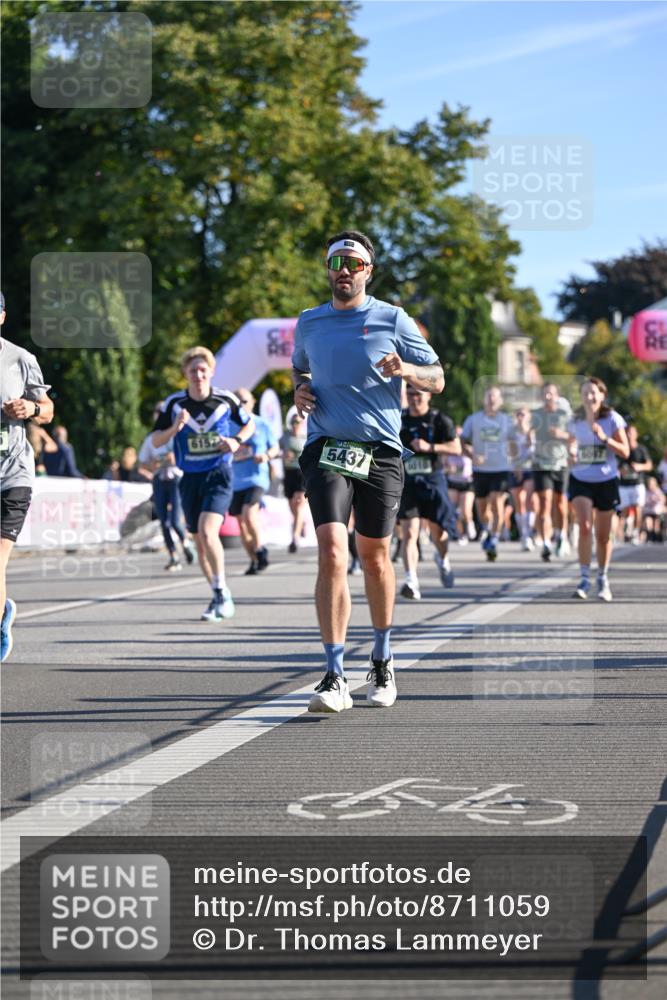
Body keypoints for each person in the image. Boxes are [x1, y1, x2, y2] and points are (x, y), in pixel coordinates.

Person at [292, 230, 444, 712]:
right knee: (334, 550)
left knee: (375, 555)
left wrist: (407, 372)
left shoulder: (392, 318)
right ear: (327, 268)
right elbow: (300, 371)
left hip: (379, 451)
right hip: (326, 447)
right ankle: (334, 673)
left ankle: (381, 656)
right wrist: (300, 390)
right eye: (337, 261)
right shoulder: (309, 322)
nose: (344, 269)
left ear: (368, 271)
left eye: (353, 263)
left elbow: (437, 378)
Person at [152, 346, 255, 621]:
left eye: (202, 370)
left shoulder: (225, 399)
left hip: (218, 474)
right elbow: (156, 441)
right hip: (189, 478)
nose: (198, 374)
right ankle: (218, 593)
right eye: (193, 370)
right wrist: (175, 428)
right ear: (185, 373)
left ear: (211, 372)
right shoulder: (174, 404)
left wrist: (236, 440)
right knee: (199, 543)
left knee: (208, 532)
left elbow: (249, 425)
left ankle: (221, 592)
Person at [0, 291, 54, 661]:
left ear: (2, 316)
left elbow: (47, 409)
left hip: (12, 472)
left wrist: (31, 406)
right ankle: (4, 611)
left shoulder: (19, 358)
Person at [567, 376, 629, 602]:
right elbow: (571, 445)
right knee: (584, 526)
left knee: (603, 536)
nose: (589, 396)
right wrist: (571, 453)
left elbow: (625, 451)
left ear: (602, 396)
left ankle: (602, 577)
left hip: (606, 481)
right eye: (585, 392)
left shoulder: (612, 419)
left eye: (594, 392)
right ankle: (584, 577)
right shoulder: (575, 419)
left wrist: (604, 439)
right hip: (580, 479)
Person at [398, 386, 460, 599]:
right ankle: (411, 580)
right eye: (411, 394)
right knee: (409, 533)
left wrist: (429, 447)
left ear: (428, 396)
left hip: (433, 480)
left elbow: (456, 448)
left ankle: (443, 560)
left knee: (439, 533)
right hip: (408, 482)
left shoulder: (439, 420)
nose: (414, 398)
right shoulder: (399, 419)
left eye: (418, 394)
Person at [230, 388, 280, 575]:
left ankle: (260, 549)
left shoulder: (261, 424)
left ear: (252, 402)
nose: (241, 405)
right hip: (235, 481)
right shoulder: (229, 425)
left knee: (249, 514)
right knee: (241, 524)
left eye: (244, 401)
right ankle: (253, 560)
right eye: (237, 402)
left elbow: (275, 447)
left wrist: (266, 456)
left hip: (256, 479)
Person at [138, 408, 195, 572]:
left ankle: (185, 542)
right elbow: (142, 463)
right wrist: (154, 464)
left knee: (176, 521)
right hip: (159, 480)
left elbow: (189, 458)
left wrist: (175, 459)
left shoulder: (178, 436)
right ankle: (173, 556)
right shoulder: (151, 439)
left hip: (176, 479)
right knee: (164, 521)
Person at [461, 386, 513, 562]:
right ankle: (487, 528)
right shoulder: (474, 420)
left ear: (500, 401)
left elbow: (516, 441)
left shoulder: (507, 420)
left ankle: (494, 539)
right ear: (484, 399)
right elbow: (461, 440)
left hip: (500, 469)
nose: (492, 400)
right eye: (489, 396)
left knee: (497, 504)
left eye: (495, 397)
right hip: (480, 470)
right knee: (483, 508)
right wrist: (471, 455)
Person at [531, 382, 571, 561]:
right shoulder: (536, 415)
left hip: (560, 463)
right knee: (544, 504)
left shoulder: (565, 415)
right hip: (541, 463)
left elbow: (575, 435)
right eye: (545, 394)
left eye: (551, 394)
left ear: (557, 396)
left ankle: (561, 536)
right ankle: (546, 542)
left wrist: (561, 435)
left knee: (561, 504)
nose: (548, 397)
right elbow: (526, 432)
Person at [617, 422, 652, 545]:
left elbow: (649, 465)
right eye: (627, 432)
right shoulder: (622, 449)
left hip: (637, 483)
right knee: (624, 511)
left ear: (636, 434)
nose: (629, 435)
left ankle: (636, 532)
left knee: (637, 508)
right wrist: (622, 470)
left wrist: (639, 467)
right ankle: (624, 532)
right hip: (624, 485)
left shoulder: (641, 449)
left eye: (632, 432)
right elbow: (617, 466)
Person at [279, 411, 308, 553]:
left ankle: (294, 538)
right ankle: (300, 523)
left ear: (302, 424)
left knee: (299, 502)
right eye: (293, 423)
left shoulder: (306, 437)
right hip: (289, 472)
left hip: (302, 473)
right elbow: (275, 450)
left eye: (298, 422)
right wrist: (283, 454)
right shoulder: (285, 437)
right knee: (293, 507)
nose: (295, 425)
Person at [509, 406, 535, 551]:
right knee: (518, 502)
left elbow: (535, 451)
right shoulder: (512, 432)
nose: (521, 417)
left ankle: (529, 534)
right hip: (515, 468)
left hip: (530, 469)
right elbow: (511, 450)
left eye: (523, 414)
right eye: (518, 414)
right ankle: (523, 533)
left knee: (529, 499)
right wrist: (517, 466)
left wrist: (530, 441)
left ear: (528, 416)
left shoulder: (532, 432)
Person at [445, 430, 476, 544]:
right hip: (453, 482)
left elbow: (479, 462)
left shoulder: (469, 449)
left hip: (467, 483)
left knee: (465, 510)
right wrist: (449, 469)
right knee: (455, 511)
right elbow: (443, 467)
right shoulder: (448, 451)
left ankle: (469, 522)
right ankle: (461, 534)